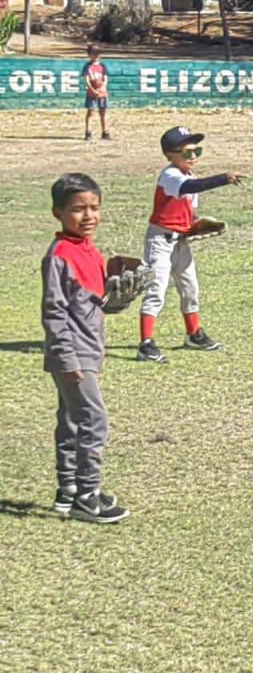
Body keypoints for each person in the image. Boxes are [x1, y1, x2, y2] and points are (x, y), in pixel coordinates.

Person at [42, 173, 130, 522]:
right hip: (72, 354)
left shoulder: (90, 251)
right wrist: (66, 357)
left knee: (72, 421)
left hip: (87, 350)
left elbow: (94, 302)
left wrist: (117, 300)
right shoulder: (60, 255)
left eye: (94, 208)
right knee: (94, 420)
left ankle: (69, 491)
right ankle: (88, 495)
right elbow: (54, 311)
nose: (88, 216)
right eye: (78, 209)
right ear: (58, 213)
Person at [137, 126, 245, 363]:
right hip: (160, 241)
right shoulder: (170, 175)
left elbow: (188, 208)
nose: (193, 157)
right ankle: (145, 344)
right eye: (187, 153)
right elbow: (189, 189)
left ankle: (193, 334)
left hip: (180, 243)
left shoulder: (189, 176)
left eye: (197, 151)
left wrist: (196, 225)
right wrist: (223, 179)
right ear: (170, 155)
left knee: (190, 288)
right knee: (156, 290)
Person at [82, 44, 110, 142]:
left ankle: (105, 132)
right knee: (91, 112)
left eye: (98, 53)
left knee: (103, 112)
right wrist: (93, 90)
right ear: (89, 54)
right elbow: (87, 80)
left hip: (102, 93)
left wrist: (102, 88)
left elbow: (106, 79)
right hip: (91, 93)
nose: (96, 56)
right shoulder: (87, 66)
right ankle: (88, 132)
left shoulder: (102, 66)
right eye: (93, 53)